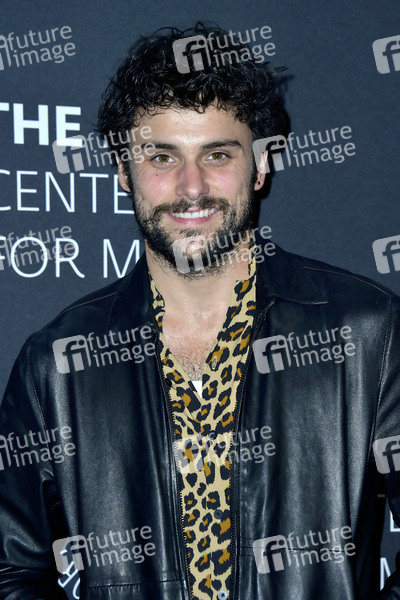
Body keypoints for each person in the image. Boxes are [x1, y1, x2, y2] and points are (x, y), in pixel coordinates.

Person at [0, 22, 399, 600]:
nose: (191, 187)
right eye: (162, 156)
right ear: (123, 171)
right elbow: (12, 569)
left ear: (260, 165)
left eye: (217, 154)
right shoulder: (56, 365)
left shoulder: (369, 333)